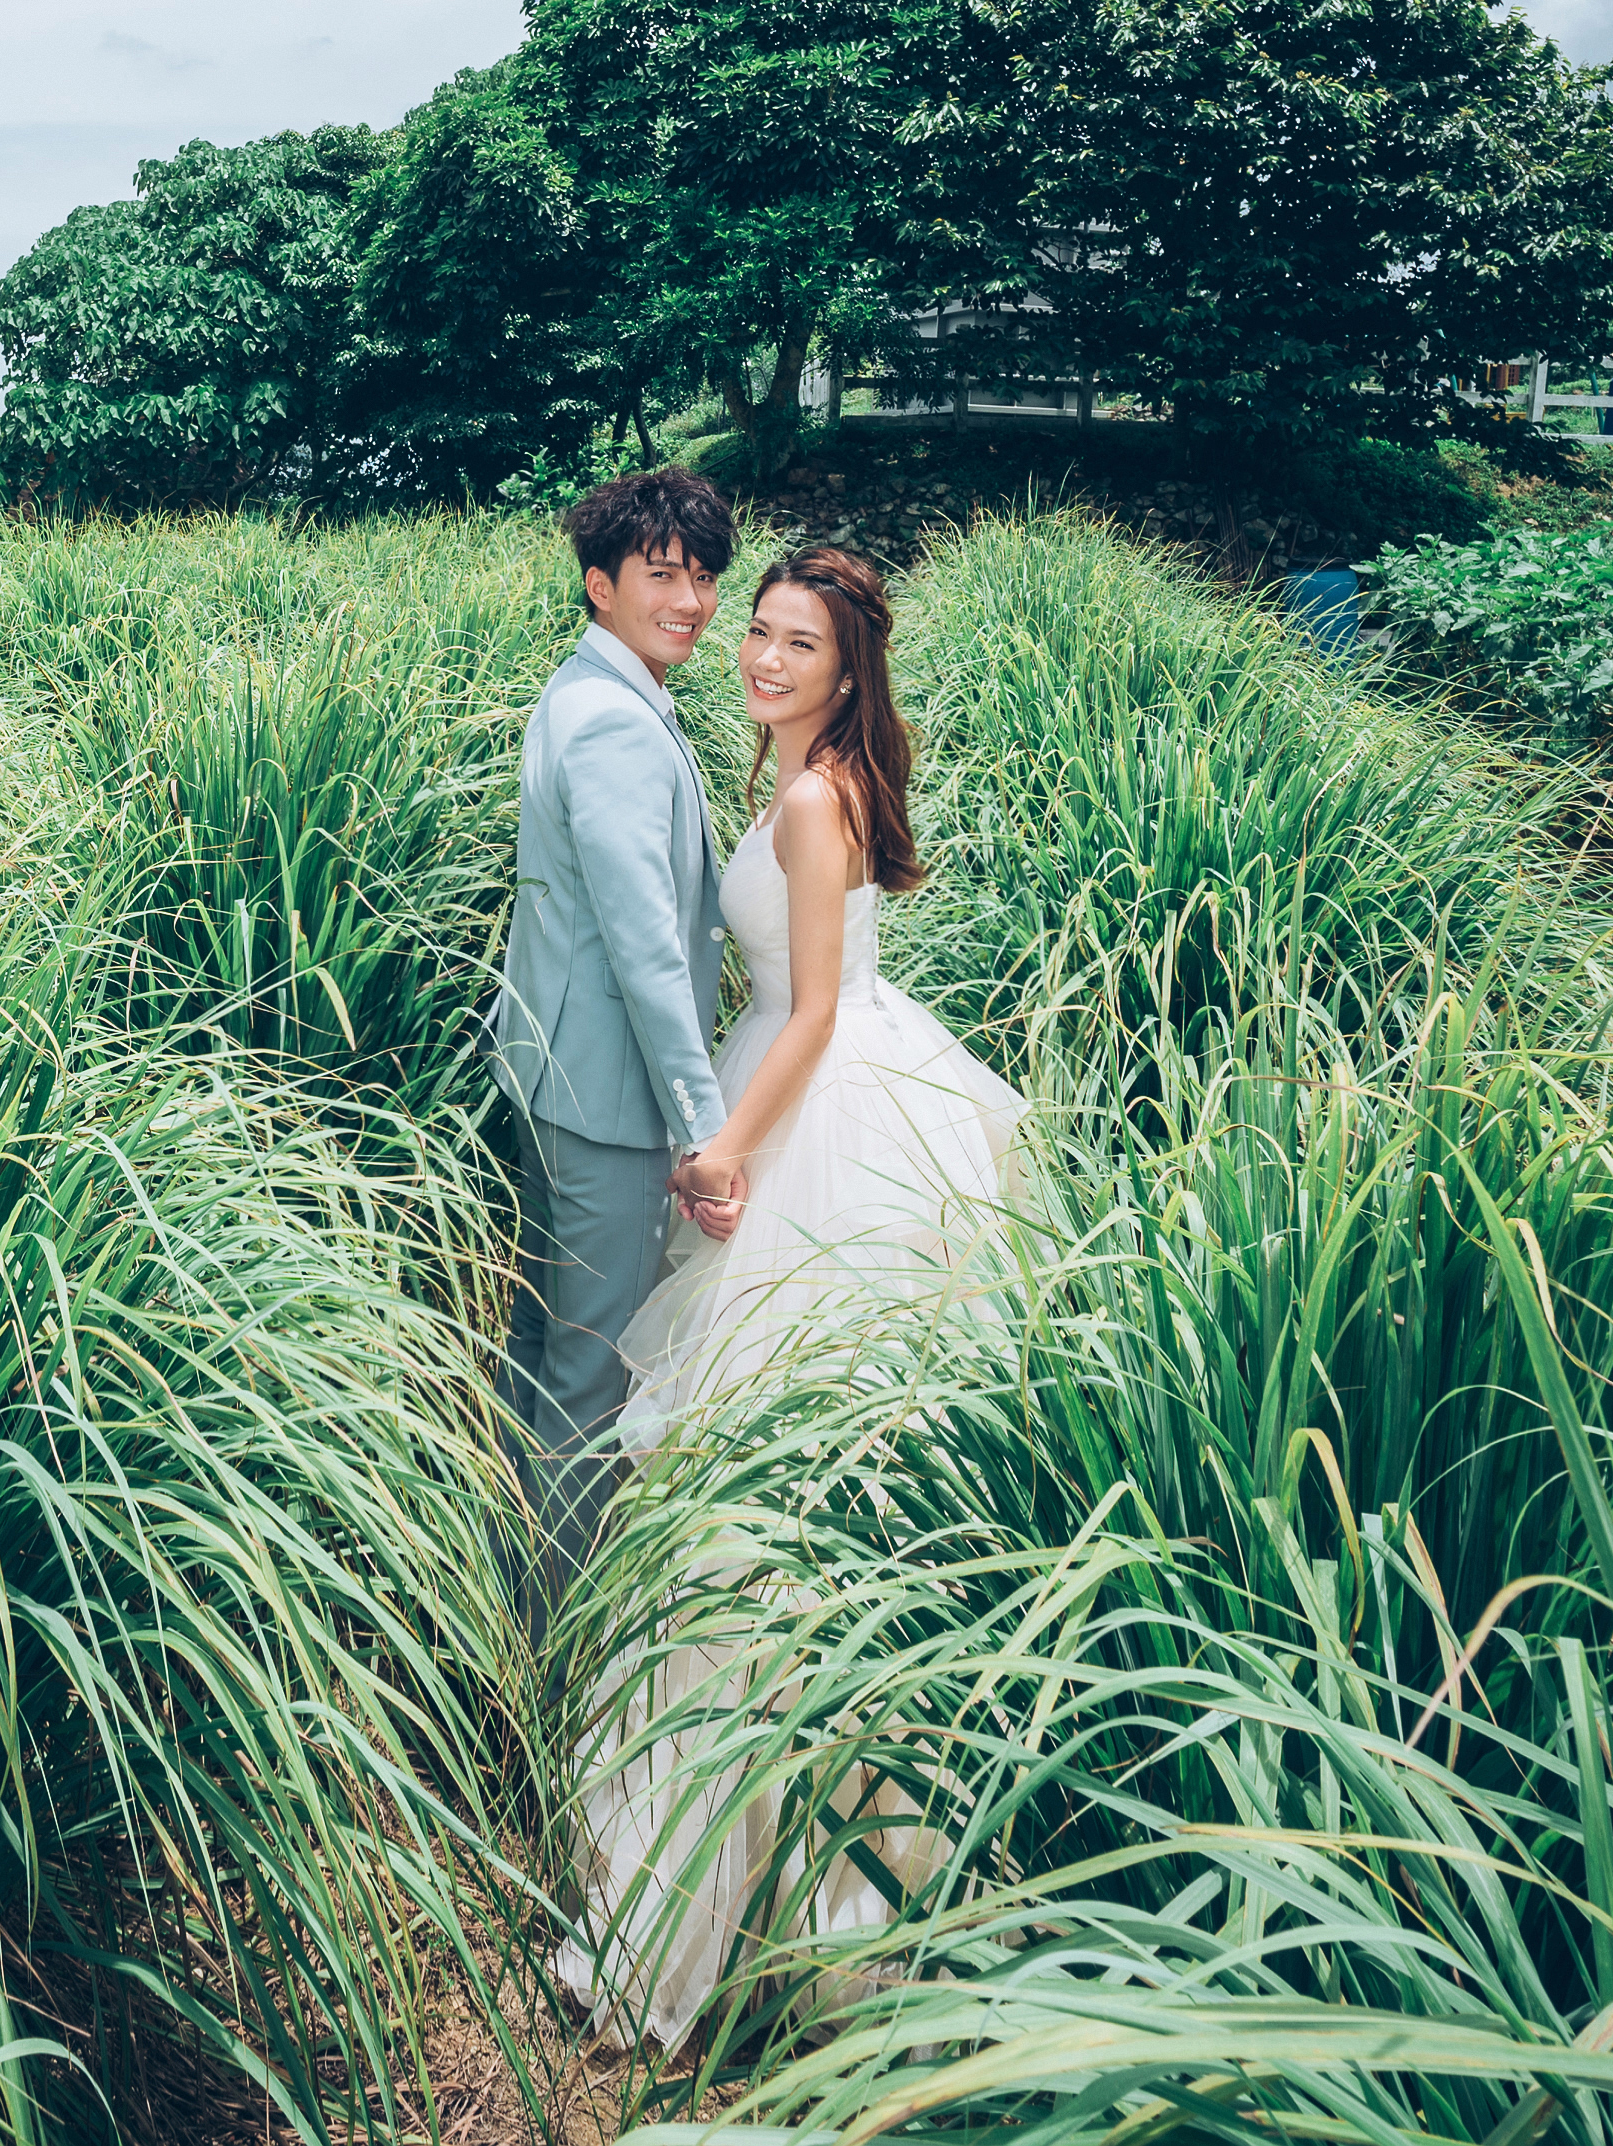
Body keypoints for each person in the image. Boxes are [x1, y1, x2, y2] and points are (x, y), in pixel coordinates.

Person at [561, 542, 1035, 2051]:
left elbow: (817, 1007)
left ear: (846, 670)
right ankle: (752, 1870)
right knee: (743, 1488)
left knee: (767, 1490)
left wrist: (723, 1153)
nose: (763, 654)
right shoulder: (790, 775)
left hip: (816, 1113)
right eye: (756, 632)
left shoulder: (819, 795)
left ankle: (789, 1892)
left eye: (796, 642)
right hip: (794, 1085)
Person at [486, 467, 739, 1620]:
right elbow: (646, 948)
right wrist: (705, 1128)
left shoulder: (579, 694)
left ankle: (497, 1596)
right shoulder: (617, 727)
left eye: (702, 576)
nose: (688, 599)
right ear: (601, 585)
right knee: (593, 1377)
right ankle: (551, 1656)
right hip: (610, 1107)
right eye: (660, 575)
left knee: (541, 1352)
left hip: (550, 1079)